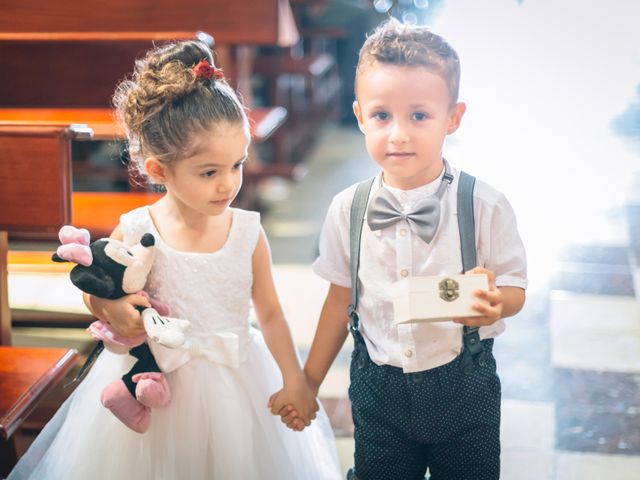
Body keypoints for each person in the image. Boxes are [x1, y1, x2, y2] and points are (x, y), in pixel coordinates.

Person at [9, 40, 341, 480]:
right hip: (155, 383)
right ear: (160, 169)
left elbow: (272, 313)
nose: (228, 185)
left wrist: (294, 378)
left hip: (237, 378)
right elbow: (104, 291)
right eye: (209, 172)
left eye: (237, 165)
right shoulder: (136, 227)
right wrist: (111, 309)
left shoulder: (246, 232)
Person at [271, 19, 527, 480]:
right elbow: (337, 302)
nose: (399, 134)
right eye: (382, 116)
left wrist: (494, 304)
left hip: (463, 388)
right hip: (378, 390)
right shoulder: (346, 208)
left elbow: (514, 288)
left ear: (453, 116)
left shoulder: (483, 205)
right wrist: (308, 381)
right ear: (359, 115)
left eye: (420, 116)